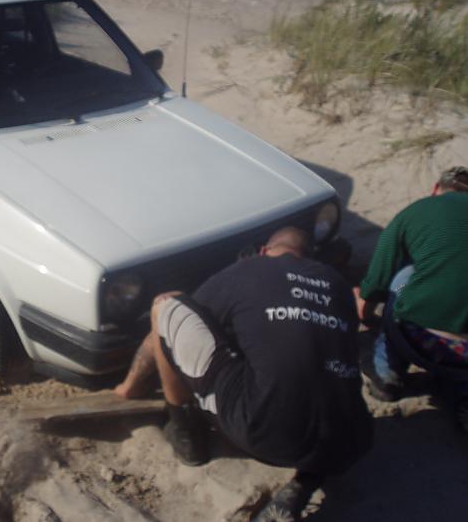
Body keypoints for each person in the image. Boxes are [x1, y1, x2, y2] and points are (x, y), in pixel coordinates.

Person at [114, 227, 373, 522]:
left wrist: (129, 386)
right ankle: (306, 480)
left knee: (166, 306)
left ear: (264, 250)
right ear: (309, 257)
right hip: (351, 439)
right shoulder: (337, 284)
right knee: (317, 374)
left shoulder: (250, 268)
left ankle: (185, 431)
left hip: (266, 433)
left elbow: (182, 319)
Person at [356, 166, 468, 431]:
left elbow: (377, 280)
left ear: (435, 190)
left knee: (404, 276)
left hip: (420, 339)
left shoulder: (417, 211)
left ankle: (387, 378)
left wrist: (366, 311)